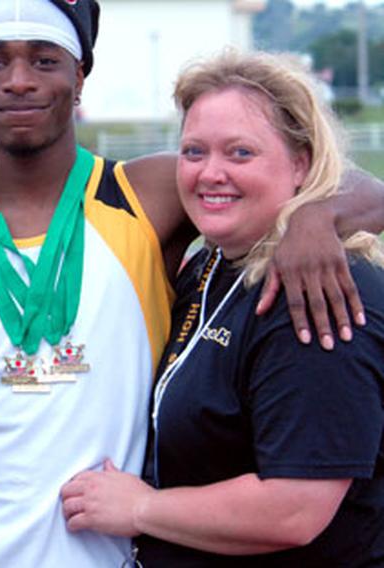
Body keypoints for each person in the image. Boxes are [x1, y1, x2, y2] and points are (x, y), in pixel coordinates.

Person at [0, 1, 384, 567]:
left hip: (130, 552)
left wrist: (314, 217)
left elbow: (335, 185)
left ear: (81, 74)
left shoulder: (149, 196)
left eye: (45, 60)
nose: (19, 81)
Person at [60, 49, 384, 566]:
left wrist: (142, 508)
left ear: (301, 163)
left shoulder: (321, 285)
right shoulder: (211, 265)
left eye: (240, 153)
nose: (211, 173)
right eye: (194, 152)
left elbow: (296, 507)